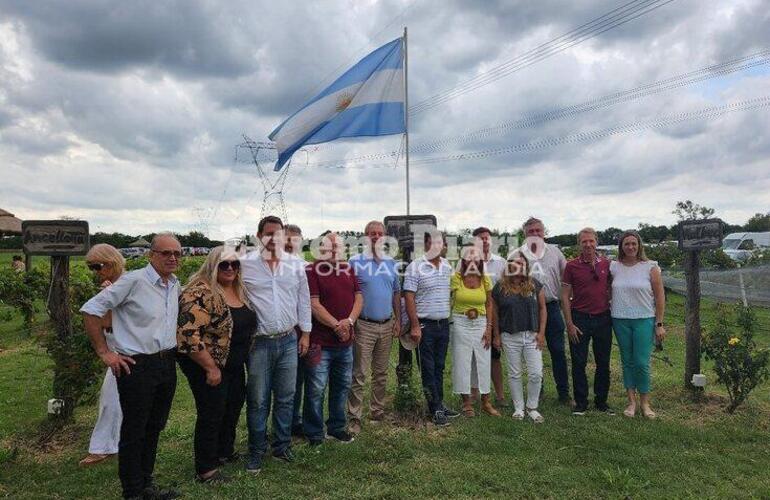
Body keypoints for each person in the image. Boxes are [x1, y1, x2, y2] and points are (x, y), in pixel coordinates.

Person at [81, 233, 182, 500]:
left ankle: (146, 484)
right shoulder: (133, 281)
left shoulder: (174, 284)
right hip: (137, 366)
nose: (173, 257)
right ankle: (132, 492)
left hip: (166, 362)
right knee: (134, 430)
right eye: (166, 252)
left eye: (177, 253)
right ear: (151, 255)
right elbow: (91, 309)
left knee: (154, 426)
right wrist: (105, 352)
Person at [176, 246, 257, 483]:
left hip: (233, 363)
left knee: (232, 406)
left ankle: (224, 451)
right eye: (224, 264)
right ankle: (206, 469)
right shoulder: (199, 291)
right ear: (213, 265)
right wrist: (210, 368)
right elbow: (188, 335)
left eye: (235, 264)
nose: (230, 268)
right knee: (212, 412)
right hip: (206, 364)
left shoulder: (239, 289)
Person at [240, 215, 311, 474]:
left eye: (278, 233)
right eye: (268, 233)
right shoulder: (245, 264)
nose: (273, 238)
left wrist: (305, 334)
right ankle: (256, 450)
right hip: (258, 343)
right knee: (258, 400)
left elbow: (303, 300)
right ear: (259, 236)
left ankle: (281, 445)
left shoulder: (296, 265)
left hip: (289, 339)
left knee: (286, 397)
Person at [303, 233, 363, 444]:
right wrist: (337, 325)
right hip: (320, 343)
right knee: (316, 389)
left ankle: (336, 427)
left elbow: (359, 298)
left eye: (338, 246)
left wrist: (350, 321)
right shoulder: (312, 270)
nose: (335, 250)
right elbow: (314, 304)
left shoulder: (348, 269)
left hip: (345, 343)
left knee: (342, 387)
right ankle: (314, 432)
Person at [347, 221, 401, 435]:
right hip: (364, 325)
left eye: (380, 233)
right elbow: (348, 294)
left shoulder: (391, 263)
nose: (376, 237)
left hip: (386, 324)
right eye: (372, 234)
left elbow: (396, 293)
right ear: (365, 236)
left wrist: (398, 320)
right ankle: (354, 417)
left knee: (381, 372)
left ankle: (377, 411)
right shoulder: (354, 262)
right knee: (359, 373)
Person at [610, 230, 666, 418]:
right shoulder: (614, 267)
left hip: (644, 319)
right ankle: (631, 402)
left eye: (634, 243)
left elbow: (660, 297)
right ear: (621, 247)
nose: (630, 247)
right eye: (626, 244)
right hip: (620, 319)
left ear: (639, 245)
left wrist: (659, 323)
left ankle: (645, 403)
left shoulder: (650, 267)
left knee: (641, 362)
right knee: (627, 361)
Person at [79, 244, 125, 467]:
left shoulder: (124, 285)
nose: (95, 272)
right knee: (115, 398)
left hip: (123, 347)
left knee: (110, 398)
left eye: (97, 266)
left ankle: (103, 447)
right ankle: (109, 444)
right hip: (116, 346)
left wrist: (107, 298)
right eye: (91, 268)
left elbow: (107, 321)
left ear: (111, 262)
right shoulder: (112, 285)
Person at [403, 232, 455, 426]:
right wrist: (415, 325)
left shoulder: (447, 266)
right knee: (428, 367)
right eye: (432, 242)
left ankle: (439, 403)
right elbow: (409, 297)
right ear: (425, 245)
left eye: (440, 242)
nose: (436, 246)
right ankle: (434, 409)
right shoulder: (415, 266)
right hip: (425, 325)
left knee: (440, 366)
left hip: (443, 324)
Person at [561, 228, 614, 416]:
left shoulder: (607, 264)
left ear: (596, 242)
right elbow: (565, 295)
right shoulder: (571, 266)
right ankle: (581, 402)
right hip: (580, 318)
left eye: (591, 241)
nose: (588, 244)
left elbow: (611, 287)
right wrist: (569, 323)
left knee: (603, 362)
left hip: (603, 318)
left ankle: (601, 401)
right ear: (579, 244)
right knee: (578, 362)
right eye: (584, 241)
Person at [519, 217, 570, 404]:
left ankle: (563, 393)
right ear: (525, 234)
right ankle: (537, 392)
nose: (535, 234)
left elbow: (567, 279)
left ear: (544, 232)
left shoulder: (555, 252)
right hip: (529, 310)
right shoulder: (518, 255)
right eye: (530, 231)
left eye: (538, 230)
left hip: (552, 307)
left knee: (558, 351)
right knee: (534, 352)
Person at [492, 251, 547, 422]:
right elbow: (494, 313)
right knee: (514, 373)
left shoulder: (534, 284)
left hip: (532, 335)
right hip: (509, 335)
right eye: (515, 263)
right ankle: (518, 408)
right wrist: (496, 335)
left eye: (522, 263)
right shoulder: (500, 287)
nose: (519, 266)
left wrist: (541, 333)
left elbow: (542, 309)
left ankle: (532, 407)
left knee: (536, 373)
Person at [450, 244, 499, 417]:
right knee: (462, 361)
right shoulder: (456, 278)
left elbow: (489, 304)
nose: (472, 260)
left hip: (480, 323)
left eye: (475, 257)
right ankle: (466, 402)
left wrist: (489, 328)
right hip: (460, 322)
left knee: (483, 361)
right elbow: (448, 298)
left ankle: (486, 401)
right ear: (463, 260)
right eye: (468, 257)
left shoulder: (485, 279)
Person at [472, 227, 507, 405]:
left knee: (494, 355)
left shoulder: (501, 263)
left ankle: (500, 395)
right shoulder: (468, 263)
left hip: (497, 314)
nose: (484, 241)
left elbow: (507, 288)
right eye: (480, 239)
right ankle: (474, 393)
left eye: (486, 238)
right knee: (473, 355)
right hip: (475, 314)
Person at [284, 224, 310, 438]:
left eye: (294, 240)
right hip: (278, 329)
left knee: (297, 379)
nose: (290, 244)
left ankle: (294, 420)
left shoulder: (307, 268)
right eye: (286, 239)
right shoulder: (271, 266)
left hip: (301, 330)